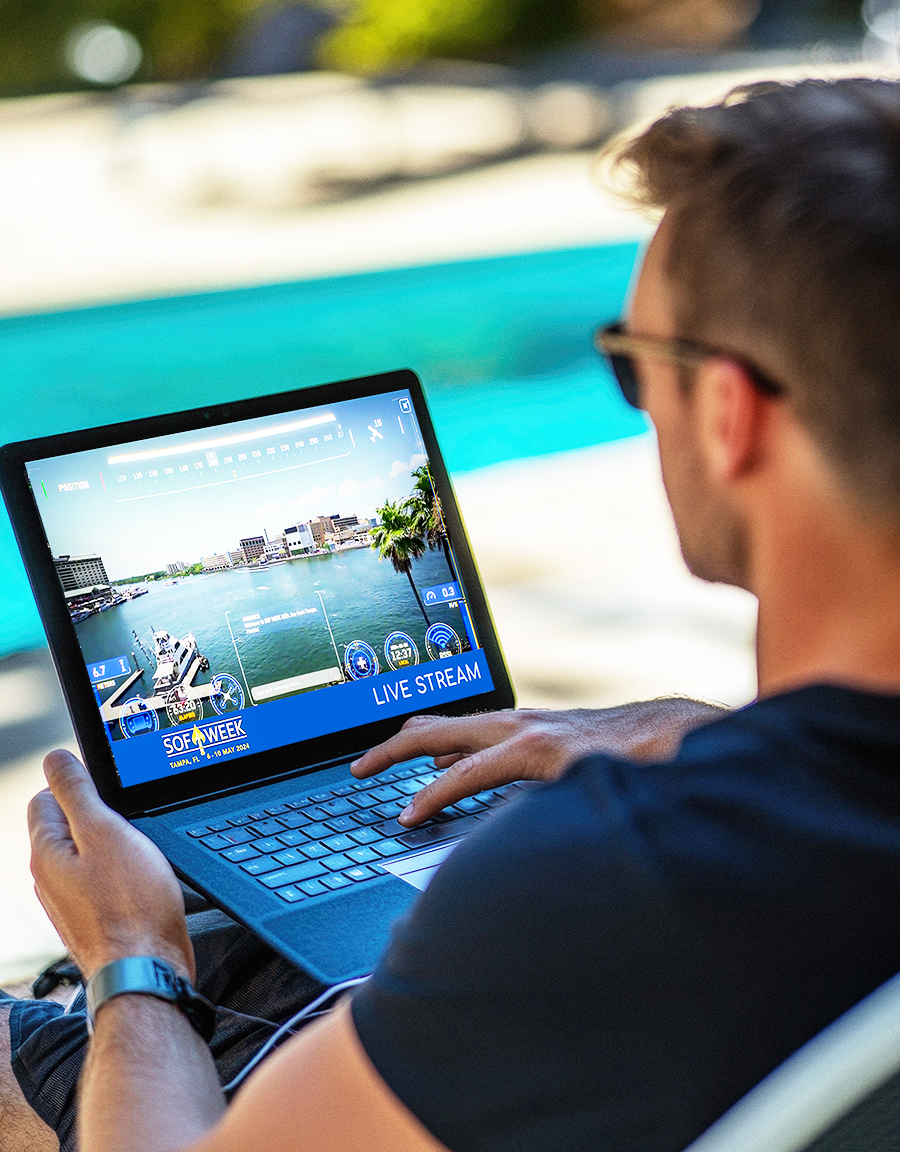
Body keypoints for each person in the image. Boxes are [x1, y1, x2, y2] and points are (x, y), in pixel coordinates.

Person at [7, 75, 900, 1152]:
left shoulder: (606, 879)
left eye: (634, 366)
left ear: (728, 414)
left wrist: (128, 958)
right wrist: (710, 731)